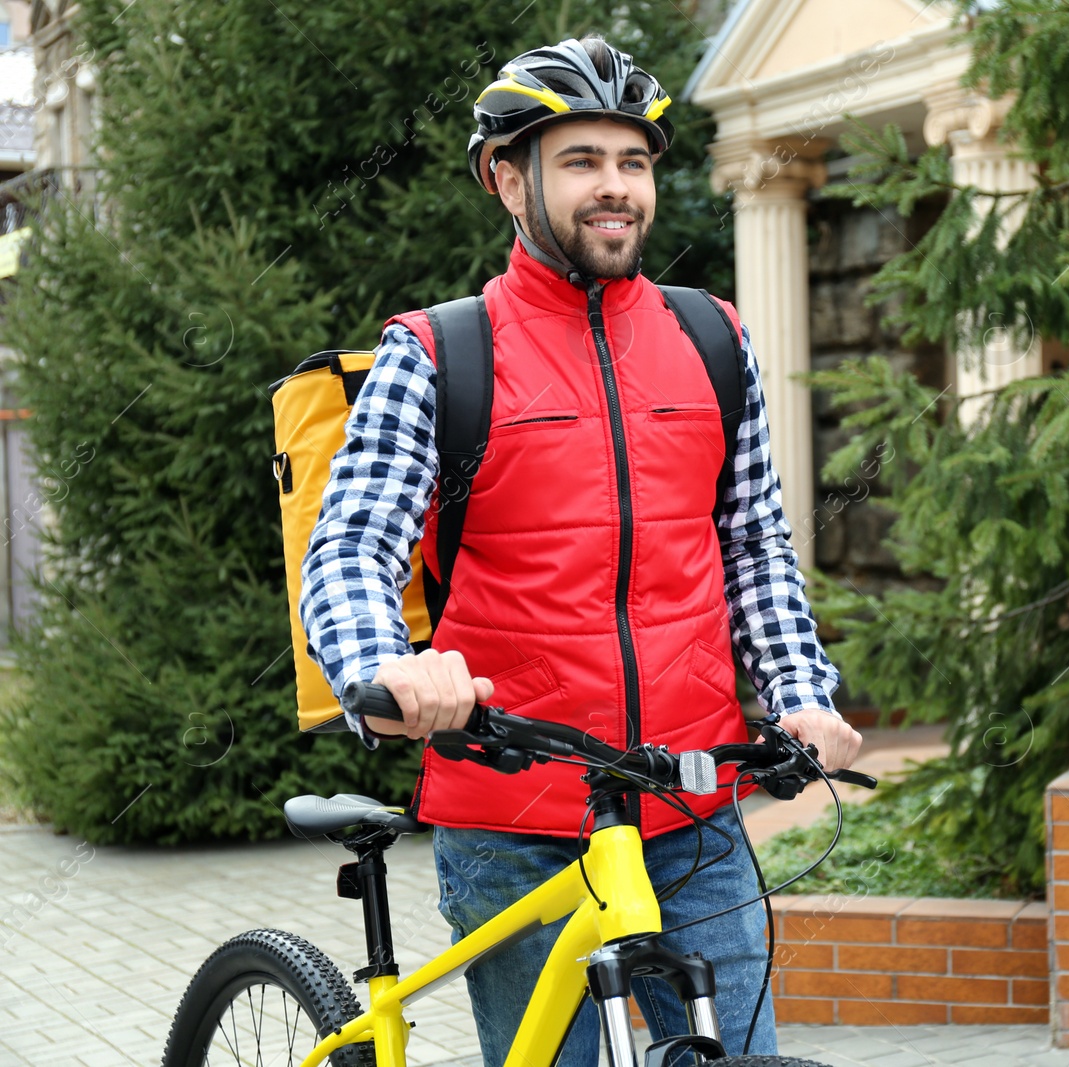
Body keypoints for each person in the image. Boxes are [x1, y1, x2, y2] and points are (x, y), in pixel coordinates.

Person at [299, 34, 861, 1067]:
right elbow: (351, 544)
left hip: (691, 808)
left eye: (633, 161)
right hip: (514, 811)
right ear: (507, 179)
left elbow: (753, 543)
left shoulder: (709, 337)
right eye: (581, 161)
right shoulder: (439, 353)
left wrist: (799, 691)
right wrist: (384, 665)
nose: (616, 188)